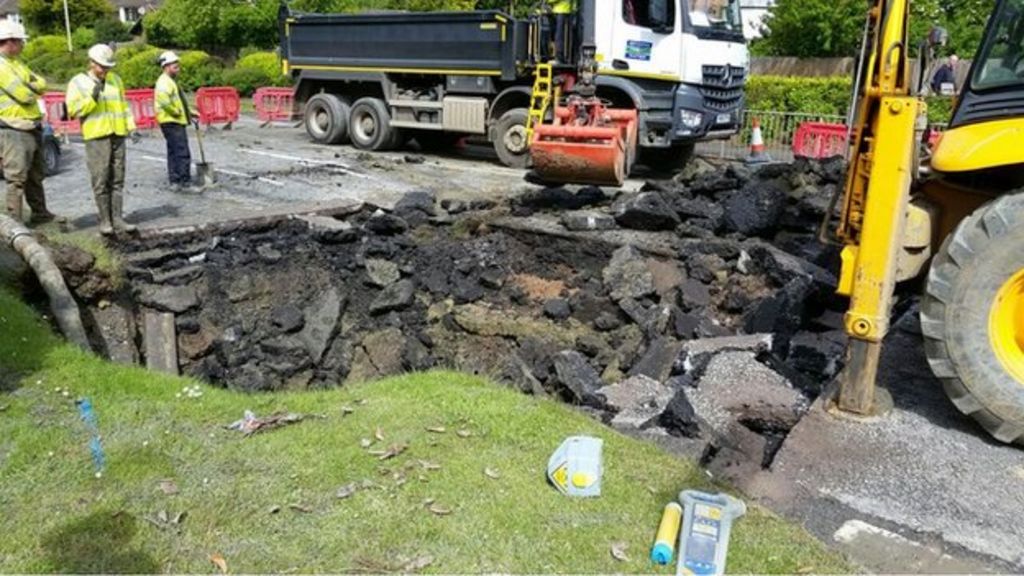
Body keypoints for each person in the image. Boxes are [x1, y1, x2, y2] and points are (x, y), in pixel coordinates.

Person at [66, 44, 140, 236]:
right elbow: (73, 110)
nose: (105, 70)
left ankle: (118, 219)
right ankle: (105, 220)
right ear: (91, 63)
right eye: (101, 67)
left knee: (117, 179)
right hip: (97, 136)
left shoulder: (116, 80)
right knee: (101, 179)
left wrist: (131, 128)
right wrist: (92, 97)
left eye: (107, 67)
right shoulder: (78, 82)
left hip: (117, 134)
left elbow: (123, 106)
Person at [0, 20, 60, 225]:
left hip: (30, 126)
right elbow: (25, 95)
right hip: (13, 127)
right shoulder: (1, 66)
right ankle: (14, 222)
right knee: (16, 177)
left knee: (36, 175)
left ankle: (40, 213)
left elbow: (42, 85)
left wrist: (33, 86)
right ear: (9, 42)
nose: (23, 45)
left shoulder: (18, 64)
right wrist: (32, 87)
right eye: (20, 42)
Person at [154, 50, 196, 190]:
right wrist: (176, 112)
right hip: (172, 120)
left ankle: (175, 181)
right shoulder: (164, 82)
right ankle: (185, 182)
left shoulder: (170, 81)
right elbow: (164, 101)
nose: (177, 66)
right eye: (174, 64)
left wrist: (189, 112)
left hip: (171, 120)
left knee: (173, 151)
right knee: (182, 151)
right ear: (166, 66)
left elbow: (178, 100)